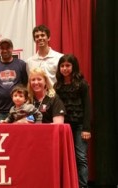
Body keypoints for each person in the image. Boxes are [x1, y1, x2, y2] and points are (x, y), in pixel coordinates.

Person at [54, 54, 91, 188]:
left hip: (80, 125)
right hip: (64, 126)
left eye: (68, 66)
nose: (65, 68)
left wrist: (87, 128)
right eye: (62, 66)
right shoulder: (57, 86)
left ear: (73, 67)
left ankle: (82, 185)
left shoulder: (82, 84)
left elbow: (87, 107)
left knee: (81, 157)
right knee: (64, 157)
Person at [0, 38, 28, 121]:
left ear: (12, 49)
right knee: (0, 133)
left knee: (17, 133)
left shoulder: (21, 64)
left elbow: (26, 85)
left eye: (7, 48)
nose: (4, 50)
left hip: (18, 109)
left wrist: (25, 102)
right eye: (2, 48)